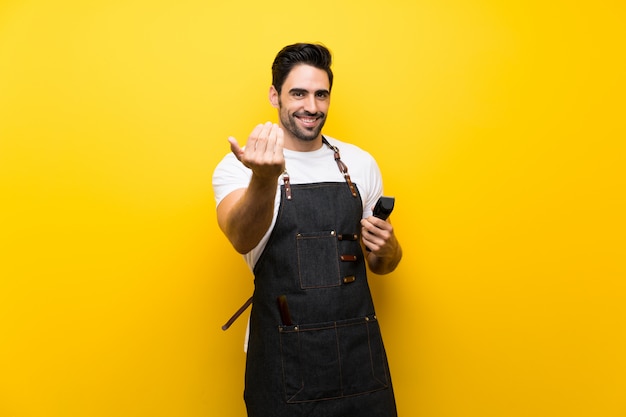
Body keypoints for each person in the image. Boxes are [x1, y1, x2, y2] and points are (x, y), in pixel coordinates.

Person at [212, 43, 403, 417]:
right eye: (298, 93)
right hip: (284, 363)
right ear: (274, 95)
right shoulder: (241, 166)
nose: (311, 107)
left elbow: (381, 264)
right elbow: (241, 238)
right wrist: (264, 180)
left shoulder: (359, 163)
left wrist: (390, 248)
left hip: (359, 358)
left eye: (321, 94)